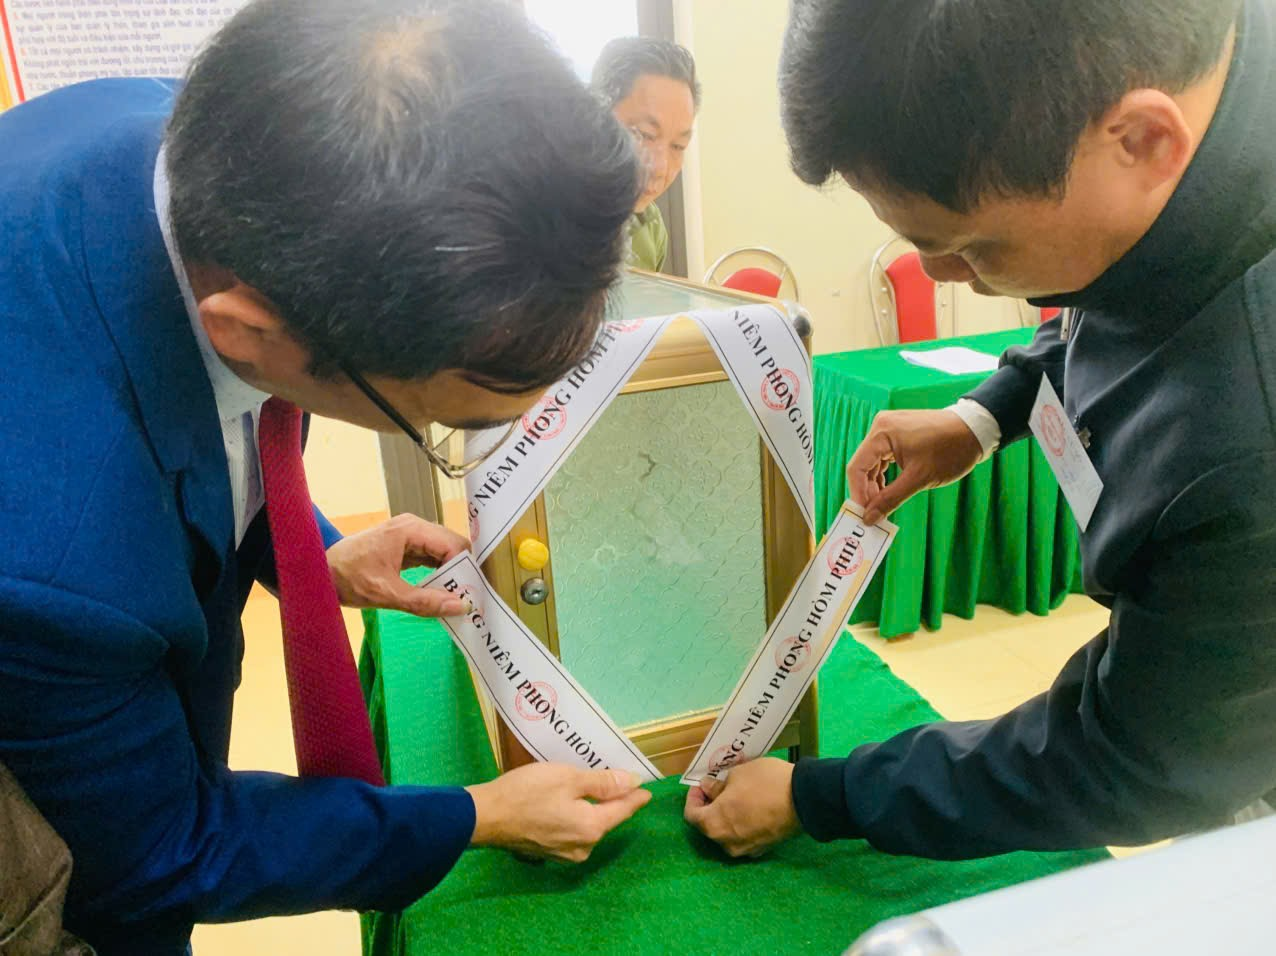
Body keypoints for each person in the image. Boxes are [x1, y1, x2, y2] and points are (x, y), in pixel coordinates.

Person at [0, 1, 652, 952]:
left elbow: (233, 427)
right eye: (446, 422)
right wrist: (477, 814)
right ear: (249, 331)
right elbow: (157, 852)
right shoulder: (56, 570)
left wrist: (313, 555)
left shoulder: (222, 150)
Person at [686, 0, 1276, 860]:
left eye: (975, 250)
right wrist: (981, 418)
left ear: (1143, 141)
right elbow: (1099, 293)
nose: (939, 274)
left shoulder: (1250, 430)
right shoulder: (1180, 117)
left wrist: (825, 794)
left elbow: (1131, 758)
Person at [591, 37, 699, 273]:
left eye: (678, 146)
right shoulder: (536, 221)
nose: (660, 167)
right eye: (644, 135)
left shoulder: (650, 226)